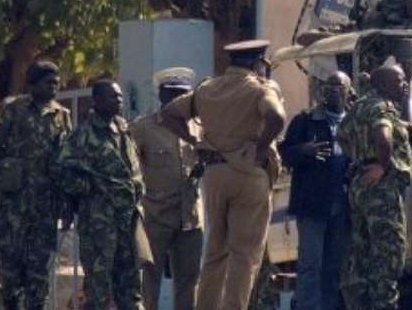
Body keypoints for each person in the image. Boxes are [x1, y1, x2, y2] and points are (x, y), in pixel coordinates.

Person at [161, 39, 286, 310]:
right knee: (245, 255)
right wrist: (261, 148)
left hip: (215, 173)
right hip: (249, 173)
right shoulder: (259, 89)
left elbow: (169, 113)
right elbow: (276, 117)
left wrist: (194, 142)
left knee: (215, 251)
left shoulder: (207, 89)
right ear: (257, 62)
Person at [0, 61, 72, 310]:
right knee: (12, 277)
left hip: (44, 210)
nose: (54, 88)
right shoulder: (15, 110)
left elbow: (66, 161)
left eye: (56, 83)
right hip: (12, 208)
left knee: (39, 277)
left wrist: (67, 203)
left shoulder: (62, 116)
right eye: (48, 83)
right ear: (33, 84)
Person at [55, 79, 146, 310]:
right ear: (96, 101)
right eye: (112, 96)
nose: (119, 100)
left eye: (120, 96)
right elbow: (64, 174)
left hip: (128, 221)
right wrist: (94, 188)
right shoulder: (83, 136)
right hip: (99, 223)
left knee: (131, 289)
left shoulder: (124, 129)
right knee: (98, 291)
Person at [337, 65, 412, 310]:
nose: (404, 84)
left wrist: (359, 159)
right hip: (381, 189)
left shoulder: (359, 106)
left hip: (361, 185)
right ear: (383, 84)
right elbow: (383, 137)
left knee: (362, 255)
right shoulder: (382, 107)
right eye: (399, 80)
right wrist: (384, 165)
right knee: (388, 257)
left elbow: (341, 134)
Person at [130, 67, 203, 310]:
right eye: (173, 94)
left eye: (184, 95)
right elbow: (131, 170)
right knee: (148, 283)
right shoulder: (143, 128)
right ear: (162, 95)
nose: (179, 100)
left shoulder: (197, 127)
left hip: (190, 217)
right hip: (156, 216)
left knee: (189, 283)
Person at [279, 71, 352, 310]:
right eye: (329, 86)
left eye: (339, 86)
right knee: (310, 264)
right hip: (313, 205)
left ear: (348, 90)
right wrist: (304, 150)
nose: (333, 90)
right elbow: (285, 154)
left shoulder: (354, 121)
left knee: (333, 265)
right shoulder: (306, 120)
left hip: (343, 205)